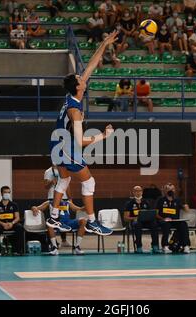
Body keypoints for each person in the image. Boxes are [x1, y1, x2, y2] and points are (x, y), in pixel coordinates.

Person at [48, 31, 119, 237]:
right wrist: (103, 137)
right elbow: (80, 141)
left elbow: (91, 65)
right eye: (80, 78)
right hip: (66, 147)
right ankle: (91, 222)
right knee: (88, 182)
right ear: (78, 86)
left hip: (56, 143)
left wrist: (104, 43)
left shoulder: (73, 95)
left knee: (64, 180)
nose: (83, 77)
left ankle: (53, 216)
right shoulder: (75, 111)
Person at [156, 183, 191, 254]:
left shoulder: (177, 200)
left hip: (175, 221)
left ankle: (186, 246)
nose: (170, 190)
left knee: (183, 224)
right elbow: (156, 214)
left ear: (174, 190)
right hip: (164, 221)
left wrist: (186, 207)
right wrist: (163, 219)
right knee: (166, 225)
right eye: (168, 189)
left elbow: (186, 210)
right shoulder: (160, 200)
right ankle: (165, 246)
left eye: (172, 189)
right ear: (165, 190)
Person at [124, 185, 158, 253]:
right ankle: (139, 246)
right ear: (133, 192)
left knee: (154, 224)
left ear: (142, 192)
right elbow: (125, 218)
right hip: (136, 222)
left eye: (139, 191)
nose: (138, 192)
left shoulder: (146, 202)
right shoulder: (129, 203)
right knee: (138, 225)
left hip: (146, 221)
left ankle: (155, 246)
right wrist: (134, 218)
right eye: (136, 191)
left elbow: (150, 213)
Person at [0, 186, 25, 255]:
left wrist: (12, 223)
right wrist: (3, 224)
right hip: (1, 224)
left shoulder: (14, 205)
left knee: (20, 227)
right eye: (5, 192)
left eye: (8, 192)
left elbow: (17, 217)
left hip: (12, 224)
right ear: (1, 193)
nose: (7, 194)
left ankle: (18, 250)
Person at [44, 164, 71, 247]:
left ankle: (64, 240)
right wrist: (52, 182)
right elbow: (45, 186)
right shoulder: (48, 172)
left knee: (64, 219)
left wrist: (70, 198)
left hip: (64, 198)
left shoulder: (64, 169)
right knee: (54, 219)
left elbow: (67, 185)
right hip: (53, 198)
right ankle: (54, 242)